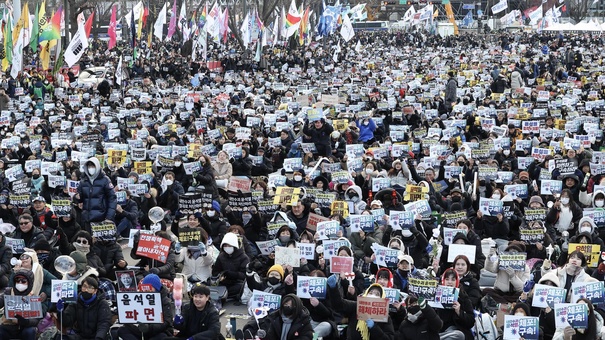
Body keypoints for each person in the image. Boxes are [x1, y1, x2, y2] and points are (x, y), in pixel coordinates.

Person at [327, 277, 396, 340]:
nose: (373, 295)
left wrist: (374, 328)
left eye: (377, 294)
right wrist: (333, 289)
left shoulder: (384, 317)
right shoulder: (356, 306)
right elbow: (339, 305)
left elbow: (389, 338)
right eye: (370, 293)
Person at [117, 274, 174, 340]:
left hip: (158, 331)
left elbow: (167, 322)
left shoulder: (165, 301)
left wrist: (149, 328)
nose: (146, 290)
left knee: (161, 337)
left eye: (149, 288)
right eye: (144, 288)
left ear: (156, 288)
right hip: (141, 329)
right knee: (122, 330)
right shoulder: (138, 298)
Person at [243, 294, 313, 340]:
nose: (288, 307)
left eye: (291, 306)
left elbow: (308, 337)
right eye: (286, 304)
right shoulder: (275, 318)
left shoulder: (303, 321)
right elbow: (271, 335)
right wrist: (264, 335)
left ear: (297, 307)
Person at [0, 270, 45, 340]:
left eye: (23, 281)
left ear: (29, 283)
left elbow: (36, 320)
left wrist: (26, 321)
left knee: (30, 331)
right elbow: (1, 299)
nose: (20, 283)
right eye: (17, 280)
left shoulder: (33, 297)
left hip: (24, 328)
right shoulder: (8, 292)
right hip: (8, 327)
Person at [76, 157, 117, 231]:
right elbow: (79, 197)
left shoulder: (105, 180)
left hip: (101, 219)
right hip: (87, 219)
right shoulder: (83, 181)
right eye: (89, 166)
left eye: (93, 166)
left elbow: (112, 199)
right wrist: (77, 198)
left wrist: (109, 217)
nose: (91, 168)